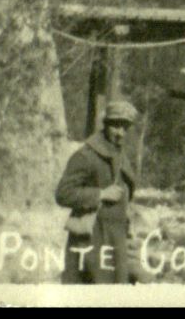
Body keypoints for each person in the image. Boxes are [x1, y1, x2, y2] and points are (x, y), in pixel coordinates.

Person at [55, 99, 139, 284]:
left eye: (125, 127)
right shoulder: (86, 156)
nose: (120, 133)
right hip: (91, 239)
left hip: (116, 239)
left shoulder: (121, 156)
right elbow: (63, 193)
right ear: (105, 124)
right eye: (116, 126)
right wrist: (101, 194)